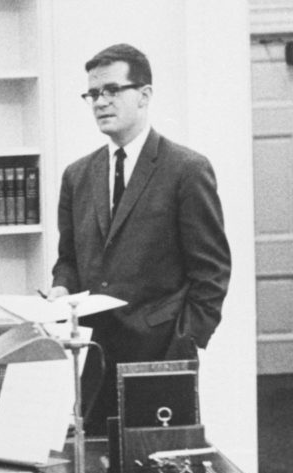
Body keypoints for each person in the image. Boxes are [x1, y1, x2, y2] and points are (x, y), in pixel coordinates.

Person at [48, 43, 231, 432]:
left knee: (157, 470)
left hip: (162, 353)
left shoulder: (186, 170)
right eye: (93, 94)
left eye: (112, 90)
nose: (100, 102)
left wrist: (186, 343)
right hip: (94, 356)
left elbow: (212, 272)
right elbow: (68, 259)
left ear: (144, 95)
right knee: (95, 468)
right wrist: (61, 290)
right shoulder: (77, 176)